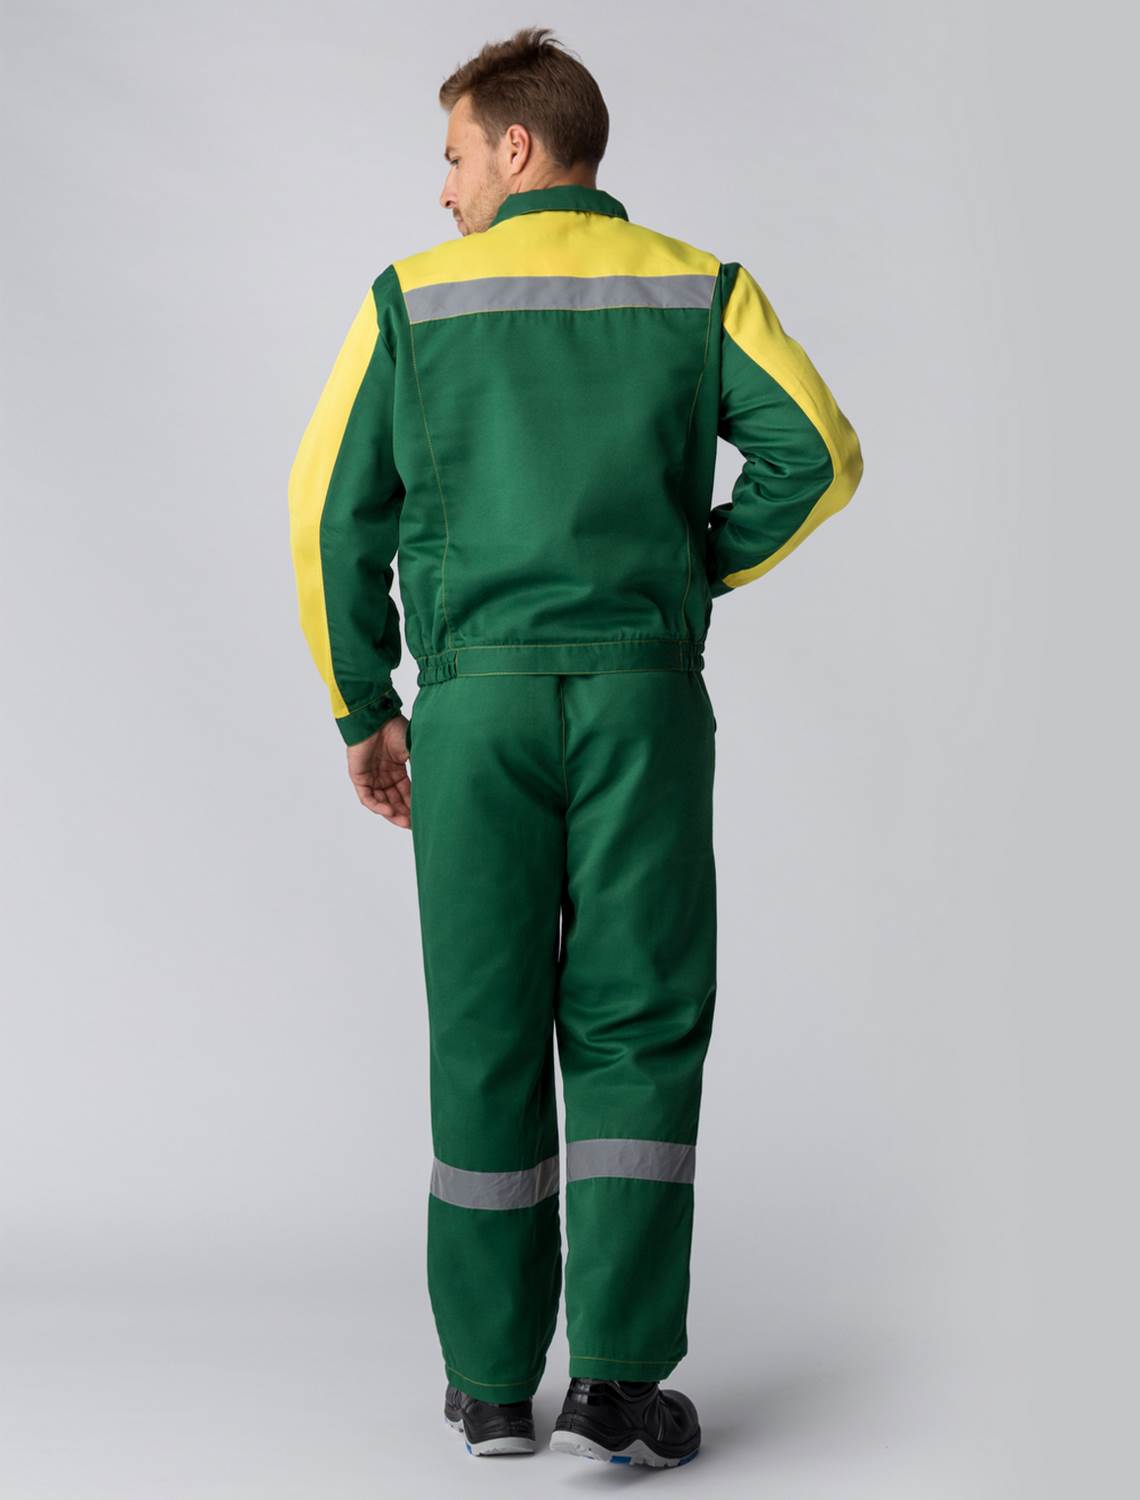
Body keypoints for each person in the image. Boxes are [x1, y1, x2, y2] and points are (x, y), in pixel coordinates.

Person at [287, 25, 863, 1468]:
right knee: (638, 1021)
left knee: (485, 1020)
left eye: (454, 154)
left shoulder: (409, 300)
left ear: (518, 144)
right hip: (641, 703)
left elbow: (326, 516)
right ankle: (616, 1381)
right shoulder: (698, 285)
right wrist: (685, 571)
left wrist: (367, 705)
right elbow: (821, 453)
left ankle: (492, 1388)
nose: (443, 188)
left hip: (474, 711)